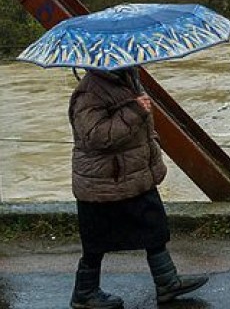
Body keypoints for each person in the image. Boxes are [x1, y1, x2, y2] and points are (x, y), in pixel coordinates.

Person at [68, 66, 208, 309]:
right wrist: (134, 111)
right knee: (96, 241)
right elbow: (95, 136)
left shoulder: (128, 77)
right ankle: (85, 292)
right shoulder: (88, 92)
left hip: (132, 174)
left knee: (154, 226)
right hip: (103, 182)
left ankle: (167, 282)